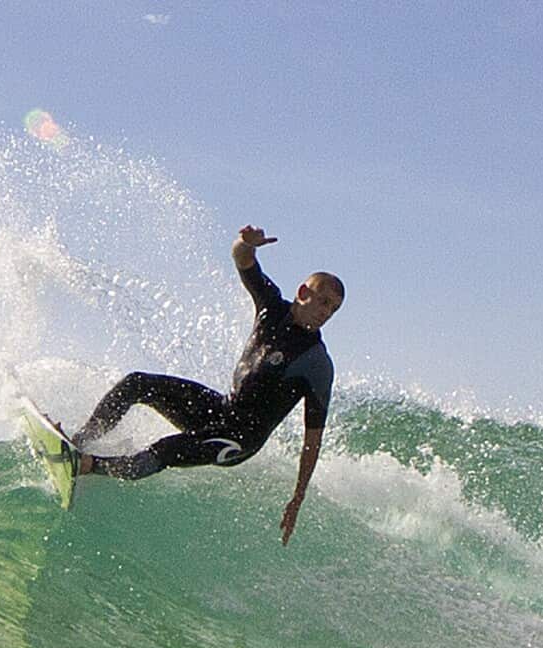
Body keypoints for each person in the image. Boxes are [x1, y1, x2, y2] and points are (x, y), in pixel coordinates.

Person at [68, 224, 344, 545]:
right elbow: (243, 259)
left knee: (165, 450)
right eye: (324, 302)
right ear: (303, 293)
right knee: (137, 383)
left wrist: (298, 497)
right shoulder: (271, 306)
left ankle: (87, 465)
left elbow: (313, 439)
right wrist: (245, 243)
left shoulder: (317, 364)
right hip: (222, 408)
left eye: (333, 309)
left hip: (240, 439)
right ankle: (79, 441)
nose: (327, 313)